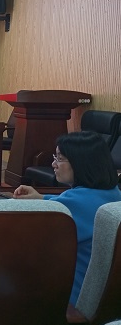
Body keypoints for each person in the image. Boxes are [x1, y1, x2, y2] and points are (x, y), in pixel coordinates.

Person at [13, 131, 121, 305]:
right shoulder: (113, 193)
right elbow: (77, 204)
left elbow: (30, 241)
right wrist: (42, 198)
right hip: (107, 302)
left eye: (60, 158)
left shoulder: (70, 206)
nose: (53, 164)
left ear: (80, 163)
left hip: (71, 300)